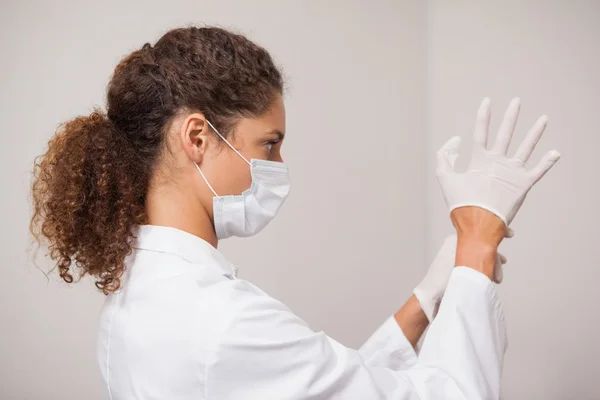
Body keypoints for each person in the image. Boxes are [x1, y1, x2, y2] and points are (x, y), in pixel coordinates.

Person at [30, 26, 559, 399]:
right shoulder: (222, 321)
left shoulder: (142, 291)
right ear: (197, 137)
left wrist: (427, 299)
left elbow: (316, 384)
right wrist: (476, 245)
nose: (279, 165)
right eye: (269, 144)